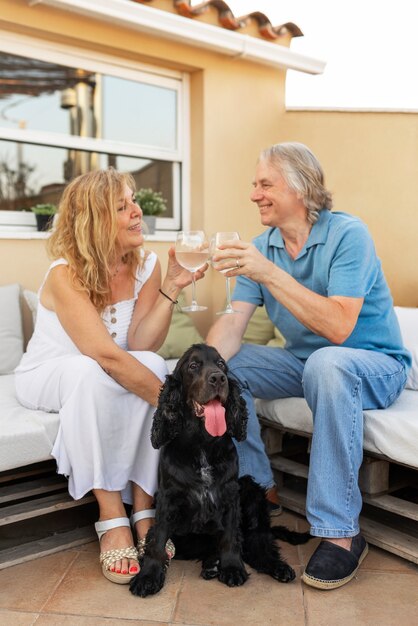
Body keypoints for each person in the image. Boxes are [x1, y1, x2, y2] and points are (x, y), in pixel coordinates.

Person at [206, 142, 410, 590]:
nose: (254, 194)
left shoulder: (347, 235)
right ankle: (260, 489)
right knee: (223, 367)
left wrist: (269, 274)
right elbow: (233, 329)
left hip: (374, 365)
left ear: (300, 187)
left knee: (328, 362)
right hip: (305, 364)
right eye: (254, 185)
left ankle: (341, 534)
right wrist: (200, 366)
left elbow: (338, 327)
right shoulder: (262, 248)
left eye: (265, 184)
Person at [15, 168, 206, 584]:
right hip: (53, 371)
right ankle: (110, 514)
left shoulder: (148, 264)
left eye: (134, 200)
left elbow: (140, 344)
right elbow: (103, 353)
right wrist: (179, 406)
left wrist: (171, 288)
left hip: (106, 368)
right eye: (122, 206)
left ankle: (144, 507)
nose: (137, 212)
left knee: (154, 366)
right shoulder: (65, 274)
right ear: (95, 220)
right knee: (90, 371)